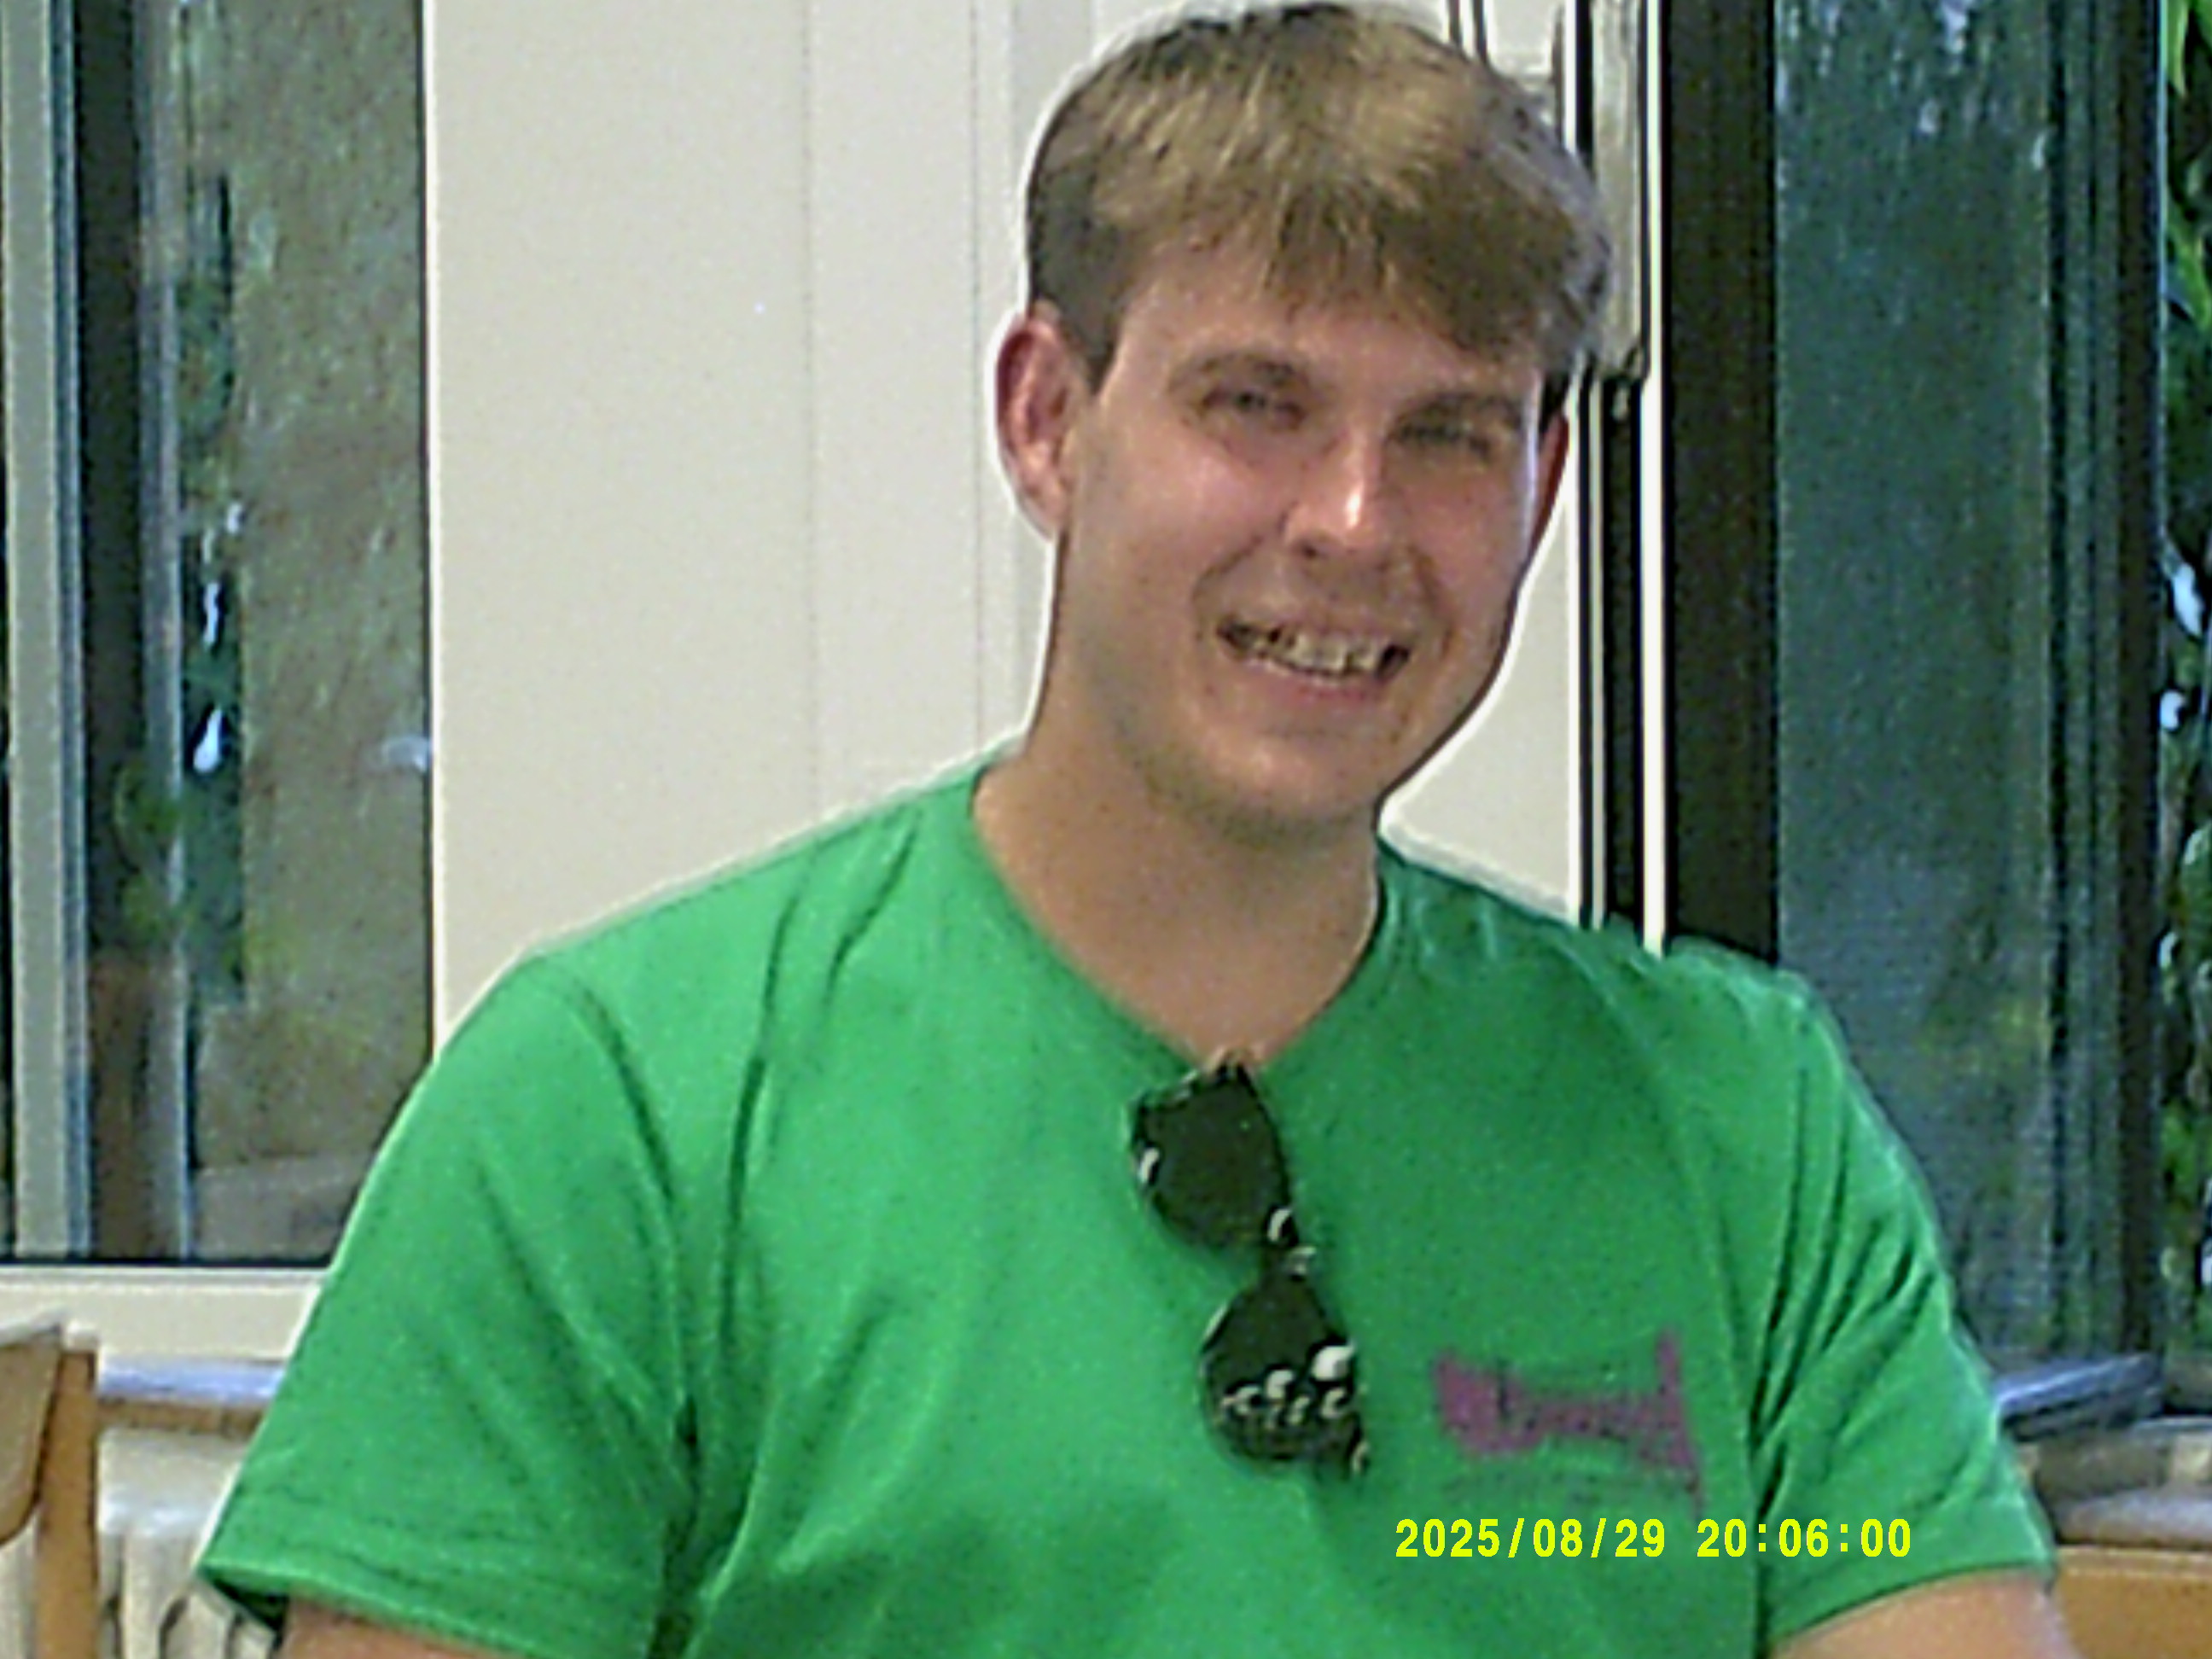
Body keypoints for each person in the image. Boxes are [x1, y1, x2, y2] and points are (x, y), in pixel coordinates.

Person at [196, 5, 2082, 1656]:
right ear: (1047, 421)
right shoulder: (616, 1113)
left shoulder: (1741, 1136)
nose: (1352, 522)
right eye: (1257, 406)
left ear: (1545, 482)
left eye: (1450, 433)